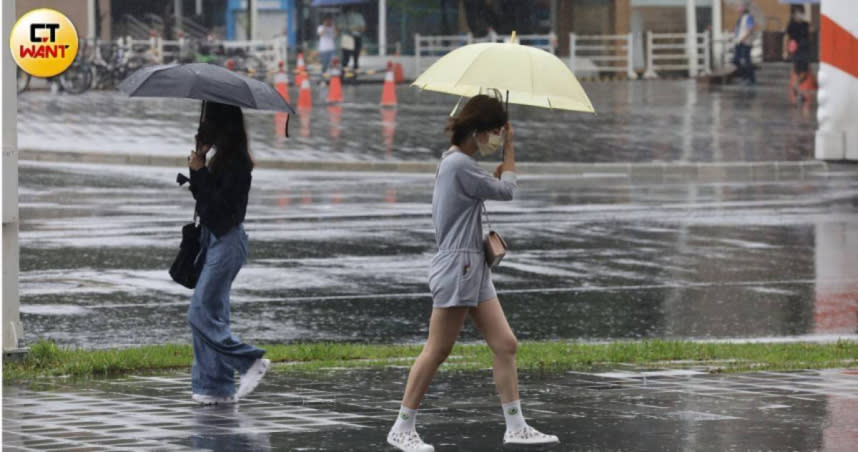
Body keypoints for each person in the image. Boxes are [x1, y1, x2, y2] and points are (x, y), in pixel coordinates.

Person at [386, 95, 559, 452]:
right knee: (438, 349)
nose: (496, 137)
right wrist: (510, 149)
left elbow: (484, 191)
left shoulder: (457, 163)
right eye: (495, 132)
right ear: (477, 131)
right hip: (457, 267)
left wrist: (492, 172)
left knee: (505, 344)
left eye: (500, 133)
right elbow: (508, 191)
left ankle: (516, 426)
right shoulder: (459, 165)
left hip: (472, 266)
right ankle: (402, 427)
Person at [187, 101, 269, 405]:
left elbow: (221, 211)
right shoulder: (221, 158)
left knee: (199, 312)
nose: (205, 125)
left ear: (222, 125)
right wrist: (199, 160)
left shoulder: (236, 162)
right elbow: (205, 202)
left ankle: (249, 361)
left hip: (227, 241)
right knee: (213, 314)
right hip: (214, 240)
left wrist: (200, 173)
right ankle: (214, 387)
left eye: (210, 121)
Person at [784, 6, 811, 104]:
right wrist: (786, 51)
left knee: (805, 73)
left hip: (805, 50)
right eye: (797, 13)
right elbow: (787, 38)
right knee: (798, 71)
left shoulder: (806, 24)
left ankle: (796, 89)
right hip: (796, 51)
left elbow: (808, 37)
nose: (799, 15)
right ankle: (798, 92)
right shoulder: (791, 25)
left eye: (801, 13)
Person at [732, 2, 756, 85]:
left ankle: (750, 78)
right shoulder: (740, 19)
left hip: (745, 42)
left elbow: (750, 29)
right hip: (738, 42)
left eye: (740, 8)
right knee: (736, 60)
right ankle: (744, 76)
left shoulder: (748, 17)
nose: (738, 10)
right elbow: (738, 29)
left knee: (746, 61)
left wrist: (743, 38)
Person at [338, 5, 365, 71]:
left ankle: (352, 69)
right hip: (348, 37)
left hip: (354, 37)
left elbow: (362, 28)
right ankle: (346, 69)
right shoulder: (342, 17)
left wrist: (353, 28)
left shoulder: (358, 16)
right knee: (347, 56)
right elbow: (338, 28)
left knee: (354, 55)